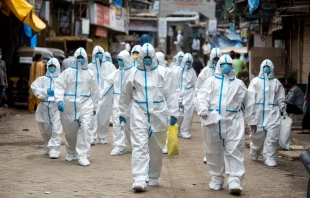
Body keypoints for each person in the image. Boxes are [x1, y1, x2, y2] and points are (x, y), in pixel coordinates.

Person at [118, 43, 179, 192]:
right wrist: (122, 113)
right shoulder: (132, 73)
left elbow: (171, 94)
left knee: (156, 147)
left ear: (153, 56)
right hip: (139, 112)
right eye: (143, 57)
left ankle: (153, 176)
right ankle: (139, 178)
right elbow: (125, 95)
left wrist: (174, 113)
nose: (146, 59)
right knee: (138, 145)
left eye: (148, 57)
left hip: (159, 113)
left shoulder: (164, 72)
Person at [196, 54, 253, 194]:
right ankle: (216, 178)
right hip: (213, 122)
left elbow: (248, 103)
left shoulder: (239, 84)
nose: (225, 67)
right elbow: (201, 96)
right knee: (213, 151)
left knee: (234, 150)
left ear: (232, 66)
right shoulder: (210, 81)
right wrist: (203, 110)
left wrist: (251, 120)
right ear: (218, 66)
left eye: (228, 65)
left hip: (233, 121)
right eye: (222, 65)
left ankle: (234, 180)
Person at [55, 47, 99, 166]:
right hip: (68, 105)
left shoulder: (90, 73)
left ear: (85, 58)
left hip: (85, 104)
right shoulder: (67, 73)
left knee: (85, 128)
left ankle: (83, 155)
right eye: (78, 57)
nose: (80, 60)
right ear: (75, 58)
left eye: (82, 58)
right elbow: (59, 86)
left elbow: (95, 91)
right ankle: (71, 152)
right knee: (70, 131)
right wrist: (59, 100)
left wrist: (94, 107)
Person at [247, 59, 286, 167]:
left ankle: (269, 157)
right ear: (261, 68)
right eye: (264, 66)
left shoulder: (276, 83)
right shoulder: (255, 82)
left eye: (268, 67)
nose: (266, 69)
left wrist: (283, 108)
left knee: (272, 137)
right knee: (257, 136)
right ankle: (255, 149)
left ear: (272, 69)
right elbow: (250, 99)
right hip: (258, 112)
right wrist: (251, 114)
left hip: (272, 113)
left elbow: (280, 98)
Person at [99, 50, 134, 155]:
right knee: (117, 124)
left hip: (131, 102)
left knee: (131, 125)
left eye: (121, 60)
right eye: (118, 60)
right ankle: (119, 146)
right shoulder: (116, 73)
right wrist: (98, 96)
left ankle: (134, 144)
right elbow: (107, 86)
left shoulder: (134, 72)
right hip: (117, 102)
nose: (119, 62)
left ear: (127, 60)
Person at [31, 57, 63, 159]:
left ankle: (55, 149)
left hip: (56, 106)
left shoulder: (62, 79)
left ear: (57, 67)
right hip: (45, 106)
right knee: (45, 129)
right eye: (50, 66)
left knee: (56, 128)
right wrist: (45, 91)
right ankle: (48, 144)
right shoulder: (42, 80)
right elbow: (34, 88)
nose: (52, 68)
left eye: (54, 66)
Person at [195, 47, 222, 164]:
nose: (216, 61)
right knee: (207, 134)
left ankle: (218, 154)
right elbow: (198, 89)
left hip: (220, 108)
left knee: (219, 133)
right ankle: (208, 154)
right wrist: (200, 106)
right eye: (214, 59)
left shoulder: (225, 74)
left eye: (218, 59)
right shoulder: (205, 72)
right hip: (207, 109)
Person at [88, 46, 116, 145]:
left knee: (105, 115)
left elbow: (113, 79)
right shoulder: (90, 66)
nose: (99, 56)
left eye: (101, 54)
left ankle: (103, 136)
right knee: (93, 115)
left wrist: (105, 91)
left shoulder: (110, 66)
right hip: (94, 95)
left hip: (106, 95)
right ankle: (92, 135)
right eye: (97, 54)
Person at [156, 51, 176, 154]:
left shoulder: (168, 72)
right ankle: (160, 145)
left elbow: (172, 91)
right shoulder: (151, 71)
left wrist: (174, 111)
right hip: (158, 102)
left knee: (165, 125)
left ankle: (165, 144)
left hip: (165, 101)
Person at [175, 53, 197, 139]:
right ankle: (177, 128)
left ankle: (185, 131)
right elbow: (173, 83)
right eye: (186, 61)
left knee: (188, 114)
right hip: (179, 96)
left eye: (189, 62)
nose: (187, 63)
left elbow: (195, 84)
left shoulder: (192, 71)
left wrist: (195, 97)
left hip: (189, 96)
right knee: (179, 113)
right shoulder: (177, 70)